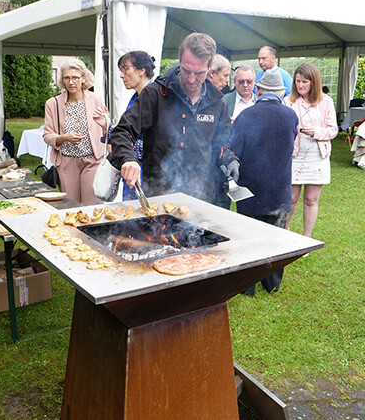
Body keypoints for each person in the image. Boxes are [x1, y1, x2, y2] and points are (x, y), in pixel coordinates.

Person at [110, 33, 234, 203]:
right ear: (179, 60)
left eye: (199, 73)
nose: (191, 79)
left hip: (200, 197)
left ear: (210, 67)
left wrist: (230, 159)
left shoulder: (217, 101)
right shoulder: (156, 93)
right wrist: (128, 159)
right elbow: (122, 131)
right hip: (158, 194)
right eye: (186, 70)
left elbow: (222, 143)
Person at [222, 70, 298, 295]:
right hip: (280, 188)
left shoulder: (246, 116)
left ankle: (249, 285)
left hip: (252, 190)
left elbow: (233, 149)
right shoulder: (291, 116)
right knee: (276, 236)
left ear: (259, 90)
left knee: (249, 237)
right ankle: (272, 283)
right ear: (281, 93)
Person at [283, 63, 338, 237]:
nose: (300, 86)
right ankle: (285, 232)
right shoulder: (288, 101)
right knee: (291, 198)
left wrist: (316, 132)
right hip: (294, 155)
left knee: (311, 199)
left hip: (317, 156)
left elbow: (333, 130)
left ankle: (306, 240)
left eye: (304, 82)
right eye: (298, 81)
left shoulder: (326, 102)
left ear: (314, 82)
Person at [43, 59, 106, 206]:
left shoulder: (95, 99)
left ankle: (93, 229)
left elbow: (105, 126)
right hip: (66, 162)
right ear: (62, 80)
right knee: (70, 205)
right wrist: (63, 138)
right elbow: (47, 135)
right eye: (67, 78)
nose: (71, 82)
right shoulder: (53, 103)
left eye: (75, 78)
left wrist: (106, 123)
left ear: (83, 78)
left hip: (92, 160)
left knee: (92, 204)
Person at [95, 50, 156, 201]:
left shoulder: (154, 97)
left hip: (148, 176)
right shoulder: (136, 97)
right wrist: (108, 127)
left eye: (125, 69)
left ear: (141, 70)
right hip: (132, 170)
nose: (122, 75)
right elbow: (130, 134)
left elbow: (151, 140)